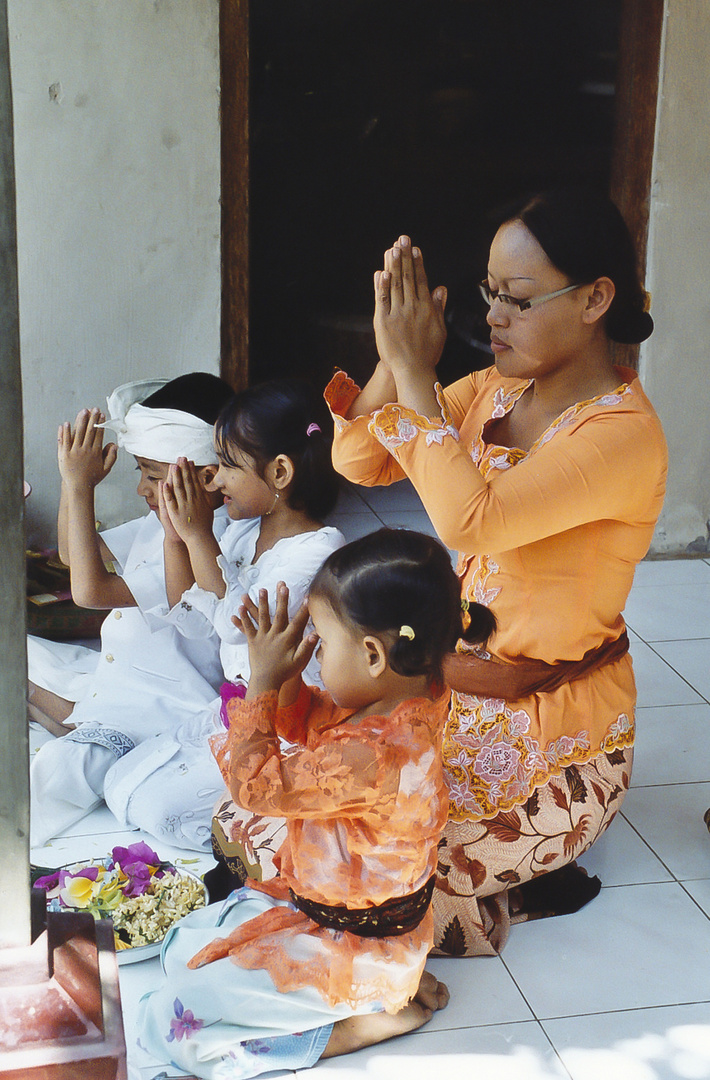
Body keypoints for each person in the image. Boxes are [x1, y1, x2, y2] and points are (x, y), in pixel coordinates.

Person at [324, 187, 668, 956]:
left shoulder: (623, 435)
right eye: (488, 294)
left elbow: (471, 518)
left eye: (516, 298)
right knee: (315, 809)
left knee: (380, 869)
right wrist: (393, 359)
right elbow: (358, 457)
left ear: (595, 299)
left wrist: (419, 378)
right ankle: (503, 881)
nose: (493, 317)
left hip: (561, 743)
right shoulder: (492, 393)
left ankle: (512, 884)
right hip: (454, 697)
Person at [135, 528, 496, 1079]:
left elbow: (255, 786)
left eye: (322, 644)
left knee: (171, 1018)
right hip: (328, 913)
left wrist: (260, 681)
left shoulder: (380, 754)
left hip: (351, 941)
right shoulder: (404, 700)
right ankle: (380, 992)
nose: (315, 656)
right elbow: (309, 724)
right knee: (182, 944)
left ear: (373, 654)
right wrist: (280, 679)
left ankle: (352, 1025)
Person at [109, 379, 345, 856]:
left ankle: (279, 832)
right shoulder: (244, 535)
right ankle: (249, 817)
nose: (214, 482)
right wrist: (178, 536)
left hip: (285, 727)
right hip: (234, 710)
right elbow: (192, 619)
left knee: (160, 813)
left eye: (229, 467)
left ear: (280, 472)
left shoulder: (318, 550)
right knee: (119, 784)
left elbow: (233, 624)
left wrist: (200, 539)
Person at [29, 373, 234, 848]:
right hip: (116, 677)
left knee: (53, 779)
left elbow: (90, 590)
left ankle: (61, 727)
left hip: (153, 712)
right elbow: (70, 552)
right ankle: (48, 707)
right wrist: (73, 484)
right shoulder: (159, 522)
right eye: (141, 472)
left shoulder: (199, 539)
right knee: (18, 652)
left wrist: (80, 489)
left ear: (206, 477)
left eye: (153, 475)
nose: (143, 487)